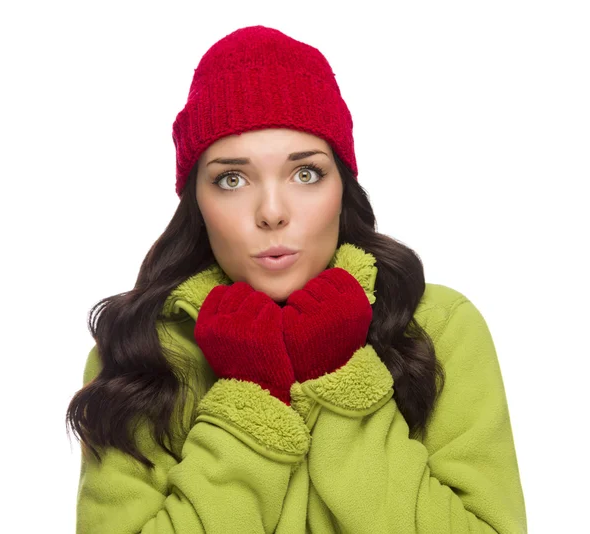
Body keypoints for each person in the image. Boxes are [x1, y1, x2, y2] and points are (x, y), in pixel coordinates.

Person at [66, 25, 527, 533]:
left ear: (342, 186)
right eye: (231, 178)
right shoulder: (140, 354)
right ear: (197, 201)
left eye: (305, 173)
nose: (271, 212)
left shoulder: (438, 328)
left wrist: (341, 382)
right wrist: (249, 400)